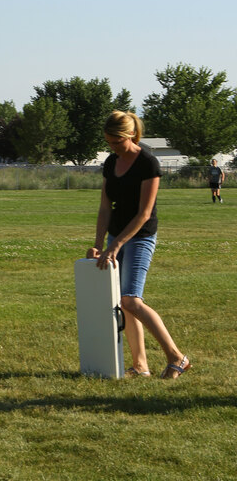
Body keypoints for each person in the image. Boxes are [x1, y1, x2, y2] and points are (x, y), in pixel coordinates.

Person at [86, 110, 190, 379]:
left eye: (117, 142)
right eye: (109, 142)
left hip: (141, 236)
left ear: (131, 134)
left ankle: (177, 357)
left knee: (131, 300)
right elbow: (105, 208)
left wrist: (117, 245)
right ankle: (141, 365)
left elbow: (144, 212)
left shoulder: (147, 163)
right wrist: (99, 244)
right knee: (122, 303)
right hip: (115, 236)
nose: (113, 147)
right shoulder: (111, 162)